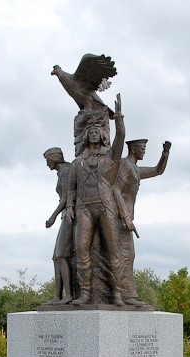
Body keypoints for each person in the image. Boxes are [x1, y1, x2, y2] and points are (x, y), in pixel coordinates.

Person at [66, 94, 125, 305]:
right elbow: (71, 188)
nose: (92, 134)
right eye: (89, 132)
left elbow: (120, 141)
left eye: (96, 131)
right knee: (81, 249)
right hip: (84, 208)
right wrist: (70, 206)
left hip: (105, 206)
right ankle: (85, 293)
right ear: (85, 136)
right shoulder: (77, 162)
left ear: (102, 135)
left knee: (113, 249)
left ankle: (117, 293)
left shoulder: (110, 158)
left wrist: (118, 118)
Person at [113, 139, 171, 306]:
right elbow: (115, 189)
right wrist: (124, 216)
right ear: (133, 149)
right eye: (142, 148)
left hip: (126, 219)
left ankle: (127, 294)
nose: (144, 151)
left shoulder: (135, 169)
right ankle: (125, 295)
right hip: (119, 219)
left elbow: (157, 171)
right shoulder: (125, 164)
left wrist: (165, 154)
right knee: (124, 255)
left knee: (128, 256)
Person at [44, 147, 73, 304]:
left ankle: (68, 295)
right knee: (56, 257)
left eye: (47, 159)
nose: (46, 163)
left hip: (69, 216)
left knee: (61, 254)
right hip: (64, 216)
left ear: (54, 158)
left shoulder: (66, 171)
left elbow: (67, 198)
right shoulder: (61, 172)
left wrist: (52, 217)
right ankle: (58, 296)